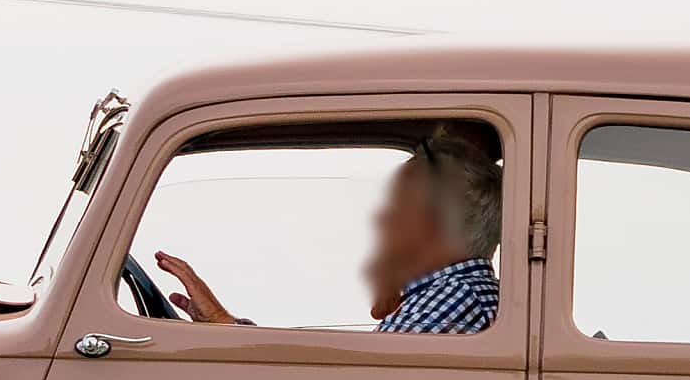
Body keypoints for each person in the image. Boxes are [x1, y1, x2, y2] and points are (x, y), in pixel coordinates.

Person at [155, 128, 501, 334]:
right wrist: (223, 324)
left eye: (397, 207)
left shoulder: (454, 300)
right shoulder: (454, 294)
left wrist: (223, 324)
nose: (382, 219)